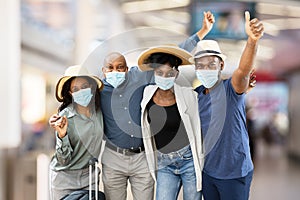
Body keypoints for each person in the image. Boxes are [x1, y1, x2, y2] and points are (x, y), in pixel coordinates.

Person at [191, 11, 264, 200]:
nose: (205, 69)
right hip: (208, 171)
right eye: (200, 65)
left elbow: (243, 70)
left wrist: (252, 41)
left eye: (211, 64)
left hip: (234, 172)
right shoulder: (196, 95)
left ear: (221, 65)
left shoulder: (231, 89)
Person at [137, 46, 203, 200]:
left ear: (176, 74)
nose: (164, 77)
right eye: (160, 73)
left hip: (188, 161)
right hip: (164, 163)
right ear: (154, 73)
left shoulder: (188, 95)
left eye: (169, 74)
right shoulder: (147, 94)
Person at [49, 65, 104, 200]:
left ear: (91, 87)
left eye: (84, 86)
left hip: (89, 176)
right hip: (64, 178)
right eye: (75, 89)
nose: (81, 91)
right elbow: (63, 160)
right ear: (70, 93)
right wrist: (62, 135)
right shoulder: (65, 117)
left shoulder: (100, 110)